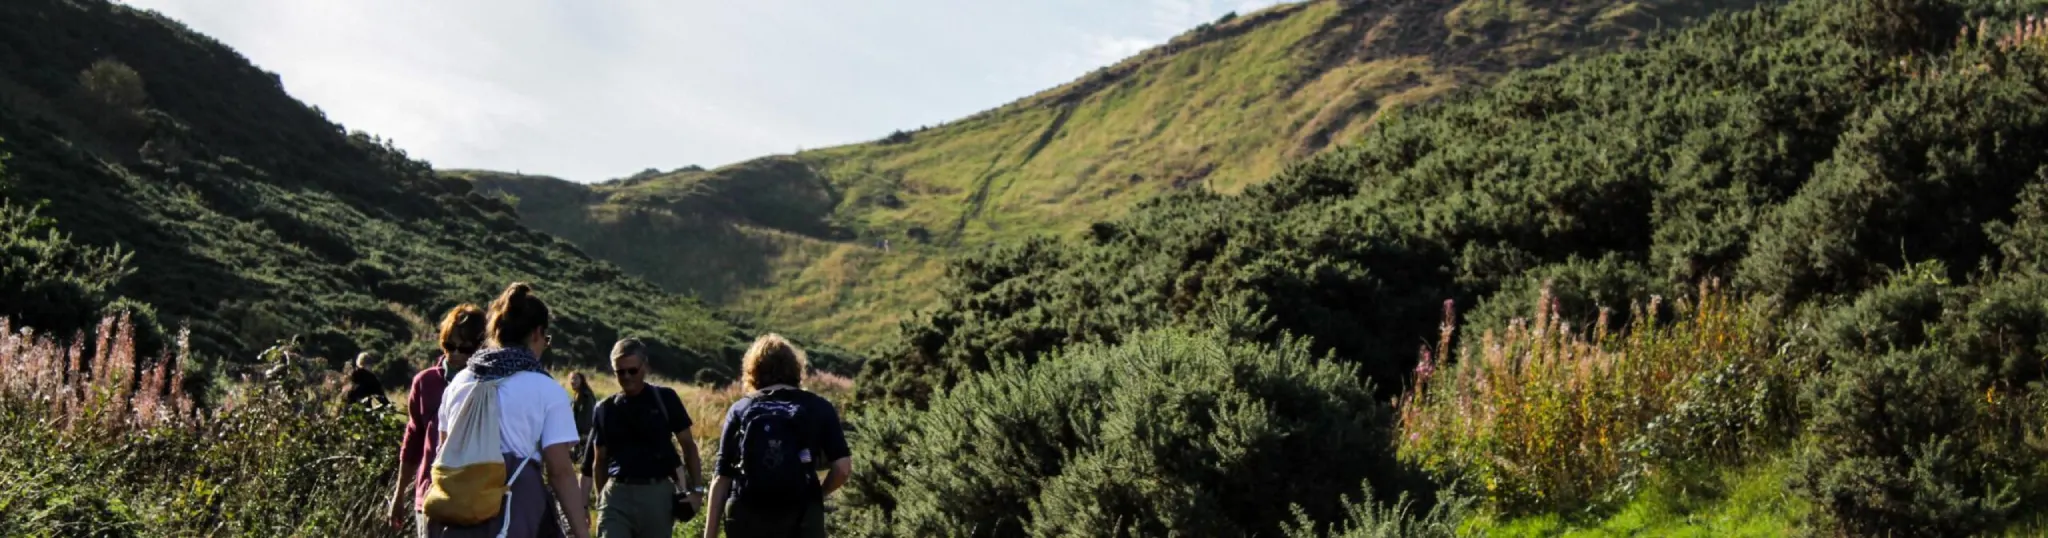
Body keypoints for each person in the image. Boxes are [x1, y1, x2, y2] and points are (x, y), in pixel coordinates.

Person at [428, 283, 592, 538]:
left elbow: (444, 452)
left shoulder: (459, 383)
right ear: (538, 333)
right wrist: (581, 533)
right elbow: (560, 472)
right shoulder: (545, 389)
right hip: (514, 513)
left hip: (456, 517)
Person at [703, 335, 852, 538]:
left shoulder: (741, 408)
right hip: (802, 513)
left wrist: (709, 535)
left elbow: (721, 477)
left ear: (752, 370)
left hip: (747, 513)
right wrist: (818, 496)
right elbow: (843, 469)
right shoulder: (818, 406)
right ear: (796, 368)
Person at [387, 304, 488, 536]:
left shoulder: (489, 386)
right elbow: (413, 441)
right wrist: (399, 493)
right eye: (449, 346)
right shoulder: (425, 383)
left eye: (464, 348)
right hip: (431, 496)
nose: (454, 354)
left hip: (476, 500)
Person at [590, 338, 706, 537]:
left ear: (645, 367)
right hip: (617, 494)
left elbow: (688, 445)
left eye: (632, 370)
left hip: (656, 494)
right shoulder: (605, 409)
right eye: (620, 372)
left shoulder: (665, 399)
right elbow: (599, 460)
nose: (626, 376)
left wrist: (697, 491)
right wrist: (601, 499)